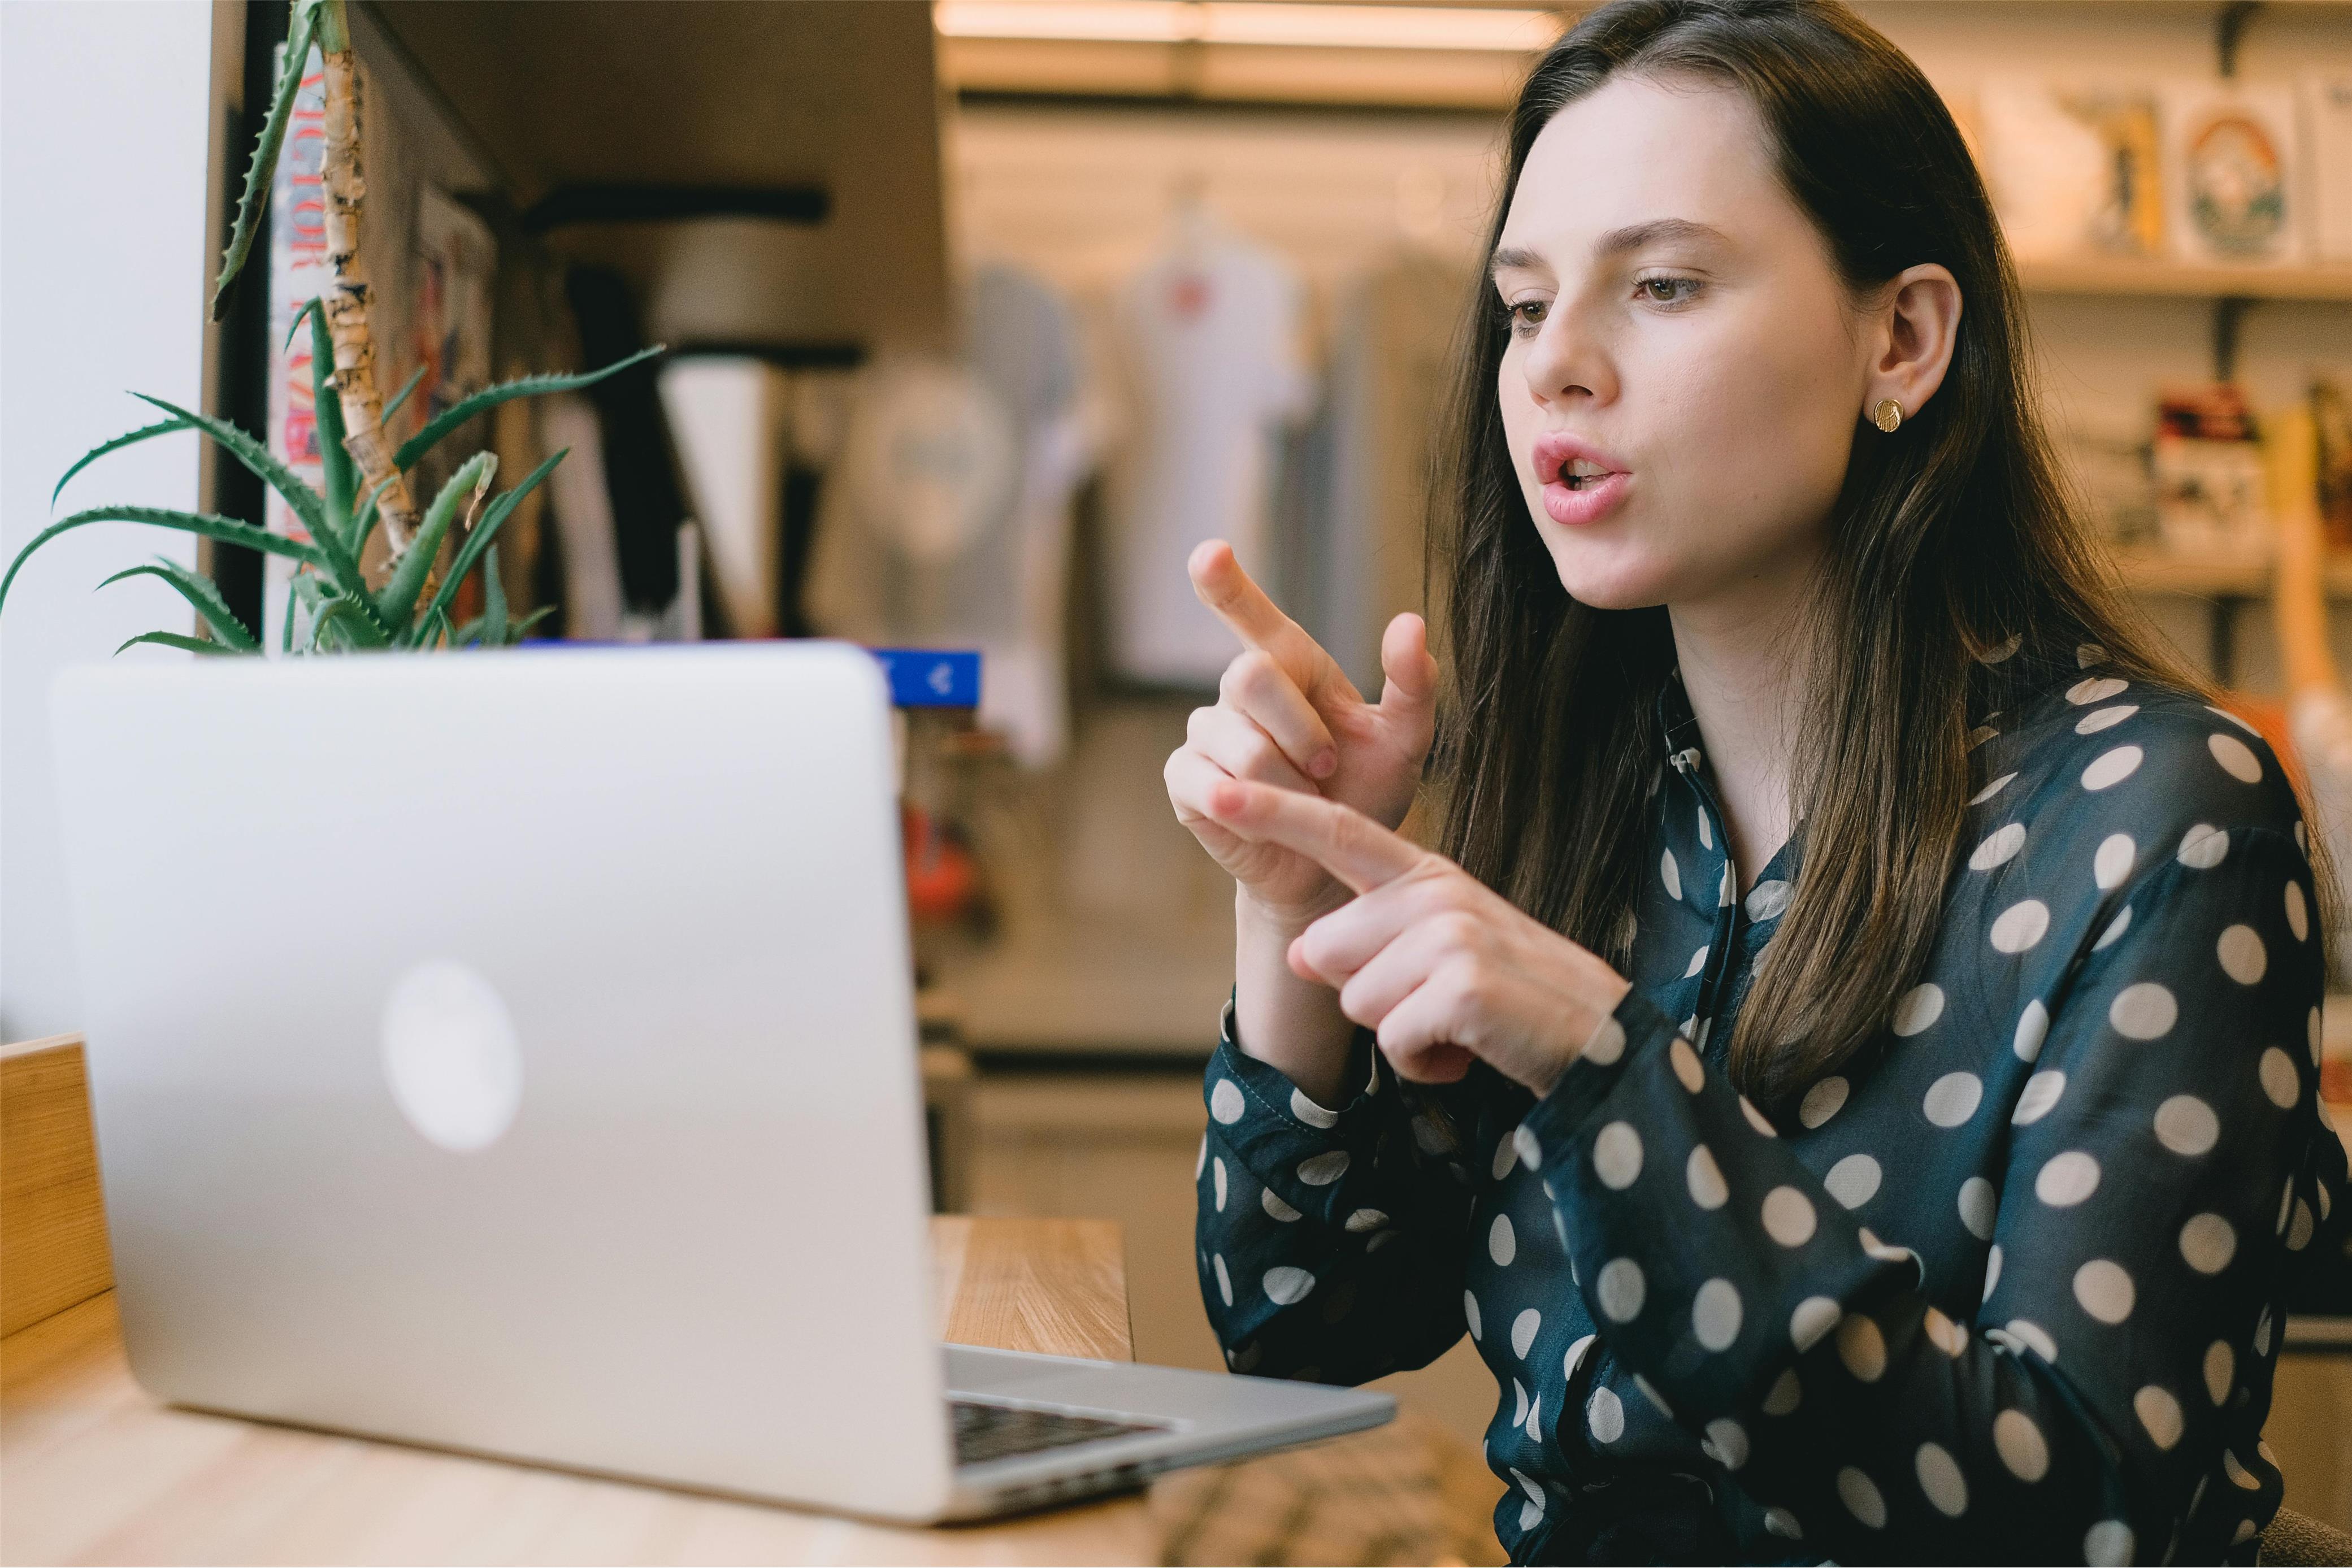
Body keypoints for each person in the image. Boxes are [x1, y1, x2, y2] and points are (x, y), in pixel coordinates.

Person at [1162, 1, 2351, 1561]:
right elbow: (1300, 1327)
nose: (1557, 372)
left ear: (1901, 340)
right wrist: (1294, 909)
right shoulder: (1587, 801)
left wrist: (1602, 1063)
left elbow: (2080, 1520)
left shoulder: (2161, 815)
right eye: (1523, 309)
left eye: (1660, 285)